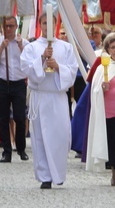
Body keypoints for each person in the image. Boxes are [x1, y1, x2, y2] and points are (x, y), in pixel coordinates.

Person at [20, 11, 77, 189]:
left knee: (59, 136)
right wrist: (43, 58)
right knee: (40, 137)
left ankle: (58, 174)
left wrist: (58, 67)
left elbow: (73, 70)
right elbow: (26, 68)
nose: (47, 27)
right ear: (40, 25)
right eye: (44, 23)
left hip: (58, 96)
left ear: (56, 24)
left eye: (50, 23)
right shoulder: (32, 47)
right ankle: (45, 176)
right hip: (40, 96)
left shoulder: (65, 47)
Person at [86, 33, 115, 186]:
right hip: (108, 113)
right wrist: (101, 88)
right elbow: (94, 90)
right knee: (112, 144)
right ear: (107, 50)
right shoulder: (102, 68)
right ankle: (114, 172)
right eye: (112, 47)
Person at [0, 16, 29, 163]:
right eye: (6, 26)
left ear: (16, 27)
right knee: (3, 118)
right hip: (2, 82)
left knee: (20, 117)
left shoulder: (23, 42)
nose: (8, 29)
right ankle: (6, 151)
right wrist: (2, 47)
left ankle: (21, 148)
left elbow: (28, 60)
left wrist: (21, 47)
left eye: (11, 26)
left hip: (18, 82)